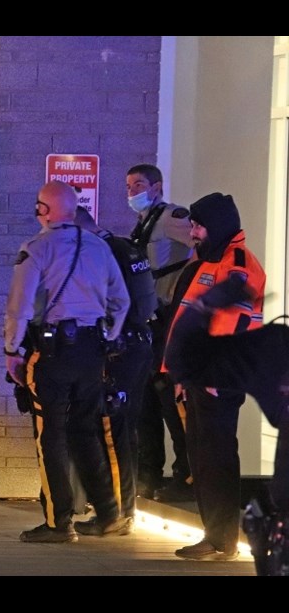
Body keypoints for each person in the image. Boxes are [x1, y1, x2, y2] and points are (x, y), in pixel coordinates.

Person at [6, 181, 130, 543]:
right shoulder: (99, 247)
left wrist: (12, 350)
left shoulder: (37, 248)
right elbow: (120, 302)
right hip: (92, 350)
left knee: (52, 435)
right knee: (86, 430)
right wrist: (107, 336)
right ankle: (108, 514)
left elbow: (20, 306)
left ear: (43, 210)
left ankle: (59, 521)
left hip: (54, 351)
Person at [164, 276, 289, 574]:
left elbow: (183, 361)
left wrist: (205, 305)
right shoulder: (275, 348)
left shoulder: (276, 347)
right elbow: (184, 362)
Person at [165, 192, 265, 561]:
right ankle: (214, 535)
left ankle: (222, 540)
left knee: (217, 456)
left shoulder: (236, 262)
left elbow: (231, 320)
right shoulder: (215, 260)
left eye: (198, 225)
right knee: (203, 457)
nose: (193, 232)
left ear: (217, 225)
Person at [74, 206, 157, 523]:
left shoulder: (100, 252)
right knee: (123, 429)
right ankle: (122, 507)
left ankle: (118, 512)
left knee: (109, 429)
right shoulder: (125, 246)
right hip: (138, 344)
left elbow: (105, 304)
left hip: (118, 350)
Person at [126, 163, 196, 501]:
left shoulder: (172, 217)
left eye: (138, 184)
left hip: (168, 317)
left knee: (170, 400)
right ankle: (149, 475)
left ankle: (186, 475)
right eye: (128, 186)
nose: (132, 192)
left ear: (156, 186)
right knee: (147, 402)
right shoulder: (143, 223)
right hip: (149, 322)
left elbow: (200, 247)